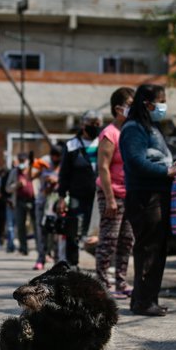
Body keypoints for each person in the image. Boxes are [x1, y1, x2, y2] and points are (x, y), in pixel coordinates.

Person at [120, 84, 176, 316]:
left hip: (158, 195)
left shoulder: (150, 127)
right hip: (145, 197)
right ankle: (143, 302)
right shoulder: (133, 129)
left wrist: (173, 167)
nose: (163, 106)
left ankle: (147, 298)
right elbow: (136, 162)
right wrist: (166, 172)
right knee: (148, 248)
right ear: (147, 104)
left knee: (158, 248)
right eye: (161, 101)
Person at [96, 87, 136, 298]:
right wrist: (110, 199)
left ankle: (121, 282)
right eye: (130, 104)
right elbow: (103, 167)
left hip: (129, 195)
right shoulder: (109, 134)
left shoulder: (129, 131)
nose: (134, 107)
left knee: (126, 240)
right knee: (109, 240)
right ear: (118, 108)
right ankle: (102, 284)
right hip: (111, 194)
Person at [57, 110, 103, 268]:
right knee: (74, 230)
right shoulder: (72, 145)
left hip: (99, 196)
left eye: (98, 124)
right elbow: (64, 173)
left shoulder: (104, 142)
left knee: (99, 232)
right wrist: (62, 197)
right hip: (77, 195)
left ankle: (103, 266)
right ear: (84, 125)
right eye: (93, 124)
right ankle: (72, 264)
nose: (96, 127)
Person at [32, 144, 63, 270]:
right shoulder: (44, 162)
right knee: (41, 230)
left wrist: (56, 179)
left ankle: (57, 260)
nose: (54, 159)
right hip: (43, 201)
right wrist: (32, 166)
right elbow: (31, 176)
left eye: (57, 157)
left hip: (57, 202)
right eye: (53, 156)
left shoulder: (65, 164)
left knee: (57, 231)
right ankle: (41, 258)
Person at [6, 152, 35, 256]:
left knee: (36, 225)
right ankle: (23, 248)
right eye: (20, 161)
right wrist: (16, 185)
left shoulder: (33, 170)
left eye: (24, 161)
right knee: (21, 226)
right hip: (19, 201)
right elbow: (7, 188)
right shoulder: (14, 172)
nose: (22, 163)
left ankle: (40, 248)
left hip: (33, 201)